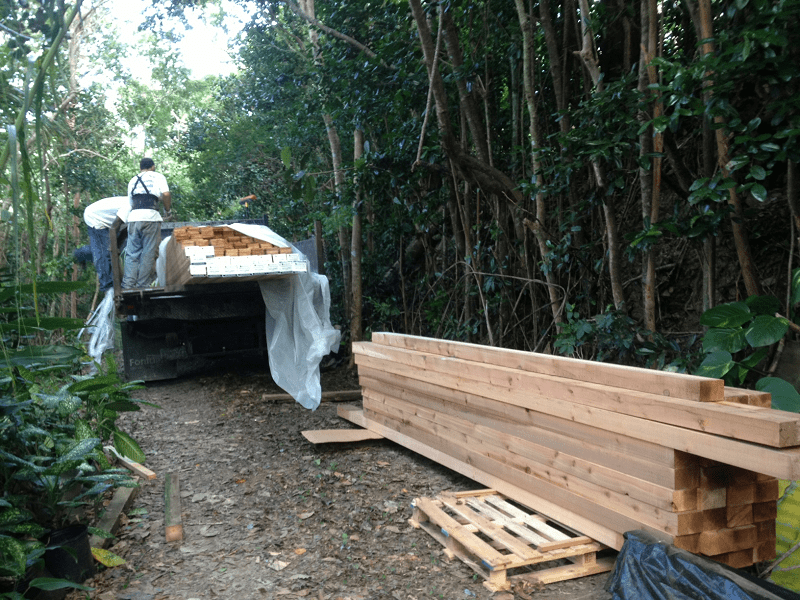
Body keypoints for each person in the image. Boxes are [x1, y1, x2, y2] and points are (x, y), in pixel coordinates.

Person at [122, 157, 171, 289]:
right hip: (150, 217)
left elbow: (131, 202)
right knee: (148, 252)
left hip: (134, 218)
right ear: (153, 166)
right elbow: (166, 194)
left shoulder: (133, 180)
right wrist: (168, 210)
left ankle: (128, 285)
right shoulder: (157, 176)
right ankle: (143, 284)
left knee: (132, 254)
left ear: (140, 168)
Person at [83, 196, 130, 292]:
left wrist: (117, 247)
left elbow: (126, 232)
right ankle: (107, 286)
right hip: (95, 217)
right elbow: (115, 226)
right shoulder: (130, 205)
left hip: (107, 221)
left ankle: (82, 253)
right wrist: (112, 248)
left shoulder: (141, 210)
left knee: (104, 249)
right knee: (104, 254)